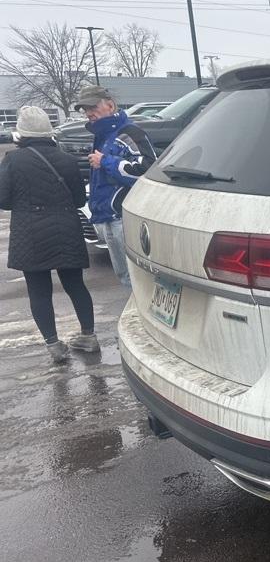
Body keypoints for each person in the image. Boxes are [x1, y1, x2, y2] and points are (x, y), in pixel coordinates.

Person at [0, 106, 98, 363]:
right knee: (75, 284)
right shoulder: (65, 159)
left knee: (39, 290)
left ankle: (54, 345)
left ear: (21, 132)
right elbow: (78, 199)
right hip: (66, 226)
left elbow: (3, 200)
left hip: (30, 232)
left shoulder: (12, 160)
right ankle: (89, 336)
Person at [75, 85, 156, 288]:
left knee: (139, 281)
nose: (89, 113)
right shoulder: (101, 136)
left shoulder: (130, 132)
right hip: (107, 220)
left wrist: (106, 162)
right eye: (85, 109)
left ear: (110, 105)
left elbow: (146, 171)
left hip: (124, 218)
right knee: (126, 280)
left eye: (93, 106)